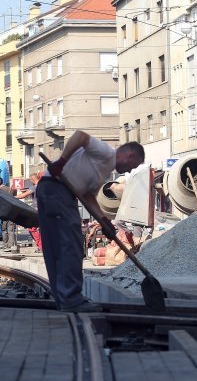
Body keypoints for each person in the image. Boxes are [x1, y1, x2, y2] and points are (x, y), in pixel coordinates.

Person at [38, 130, 144, 312]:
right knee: (71, 244)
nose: (130, 170)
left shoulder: (103, 172)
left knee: (56, 247)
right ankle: (72, 299)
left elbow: (87, 196)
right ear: (129, 155)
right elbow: (80, 136)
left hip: (54, 191)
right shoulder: (106, 153)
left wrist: (104, 221)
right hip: (57, 190)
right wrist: (62, 161)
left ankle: (64, 300)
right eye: (133, 165)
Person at [16, 172, 42, 250]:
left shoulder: (34, 187)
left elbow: (24, 195)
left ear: (32, 180)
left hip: (37, 211)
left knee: (32, 228)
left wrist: (13, 197)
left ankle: (41, 246)